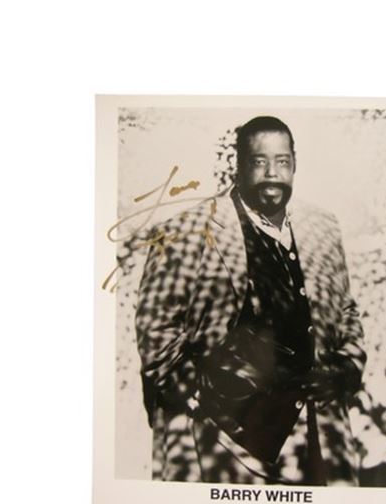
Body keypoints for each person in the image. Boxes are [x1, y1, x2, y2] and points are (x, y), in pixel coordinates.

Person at [135, 116, 367, 485]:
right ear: (239, 165)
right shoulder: (186, 231)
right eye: (259, 161)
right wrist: (201, 400)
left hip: (315, 430)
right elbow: (156, 328)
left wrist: (346, 369)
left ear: (295, 164)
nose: (272, 173)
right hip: (223, 443)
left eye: (282, 161)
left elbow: (346, 310)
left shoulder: (323, 226)